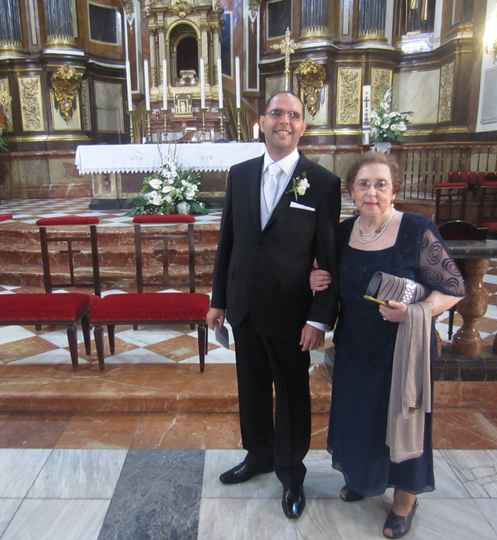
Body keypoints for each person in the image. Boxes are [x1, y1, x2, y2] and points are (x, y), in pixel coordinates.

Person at [310, 152, 464, 538]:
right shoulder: (343, 234)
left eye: (380, 184)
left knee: (404, 418)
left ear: (394, 189)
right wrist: (317, 279)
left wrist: (417, 312)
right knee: (359, 416)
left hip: (403, 348)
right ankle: (364, 478)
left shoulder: (415, 229)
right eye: (363, 184)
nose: (372, 192)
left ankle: (404, 500)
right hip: (355, 345)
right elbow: (329, 280)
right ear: (351, 191)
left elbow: (454, 288)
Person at [206, 91, 341, 519]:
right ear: (262, 122)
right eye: (277, 113)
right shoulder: (240, 174)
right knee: (251, 387)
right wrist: (218, 301)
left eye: (294, 115)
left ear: (303, 126)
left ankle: (291, 471)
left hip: (291, 313)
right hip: (244, 306)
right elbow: (228, 241)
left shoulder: (322, 183)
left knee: (293, 394)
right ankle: (259, 455)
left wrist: (319, 316)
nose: (285, 121)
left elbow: (329, 258)